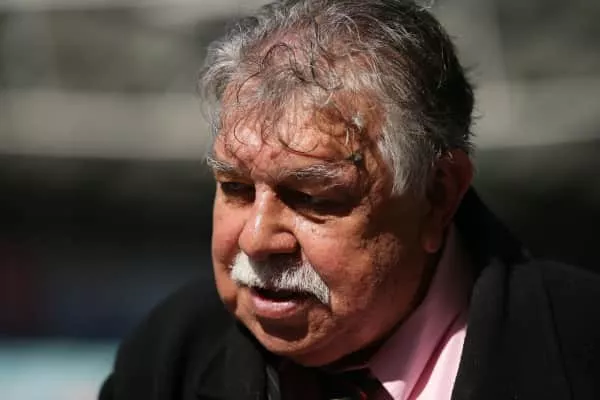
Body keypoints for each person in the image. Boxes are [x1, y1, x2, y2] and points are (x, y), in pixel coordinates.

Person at [99, 1, 600, 399]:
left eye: (311, 196)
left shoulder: (581, 345)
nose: (256, 239)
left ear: (437, 193)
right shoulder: (171, 353)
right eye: (235, 187)